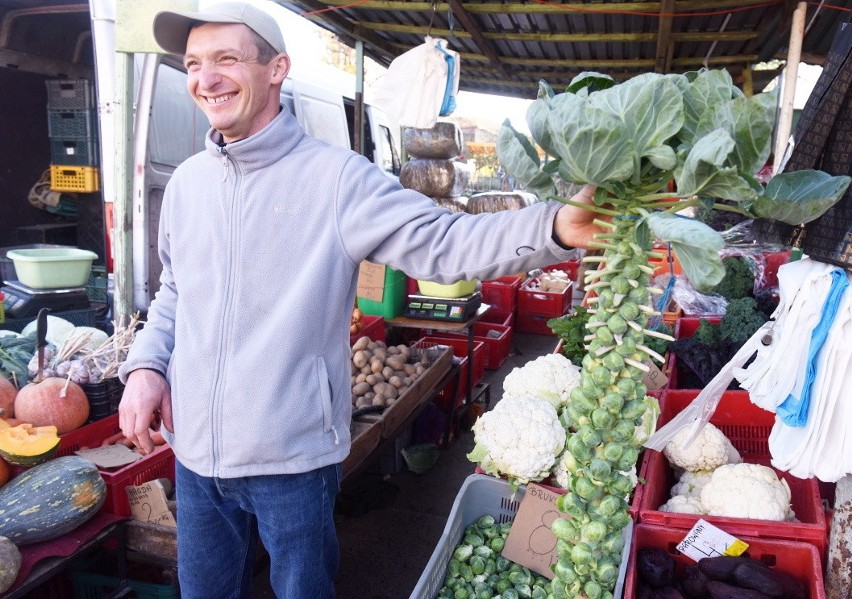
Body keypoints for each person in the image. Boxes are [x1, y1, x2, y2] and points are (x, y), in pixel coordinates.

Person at [118, 3, 601, 597]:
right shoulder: (189, 183)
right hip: (193, 456)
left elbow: (444, 242)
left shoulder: (338, 180)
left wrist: (553, 227)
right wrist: (145, 367)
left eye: (225, 59)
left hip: (290, 461)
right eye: (193, 63)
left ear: (278, 69)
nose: (204, 78)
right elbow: (174, 290)